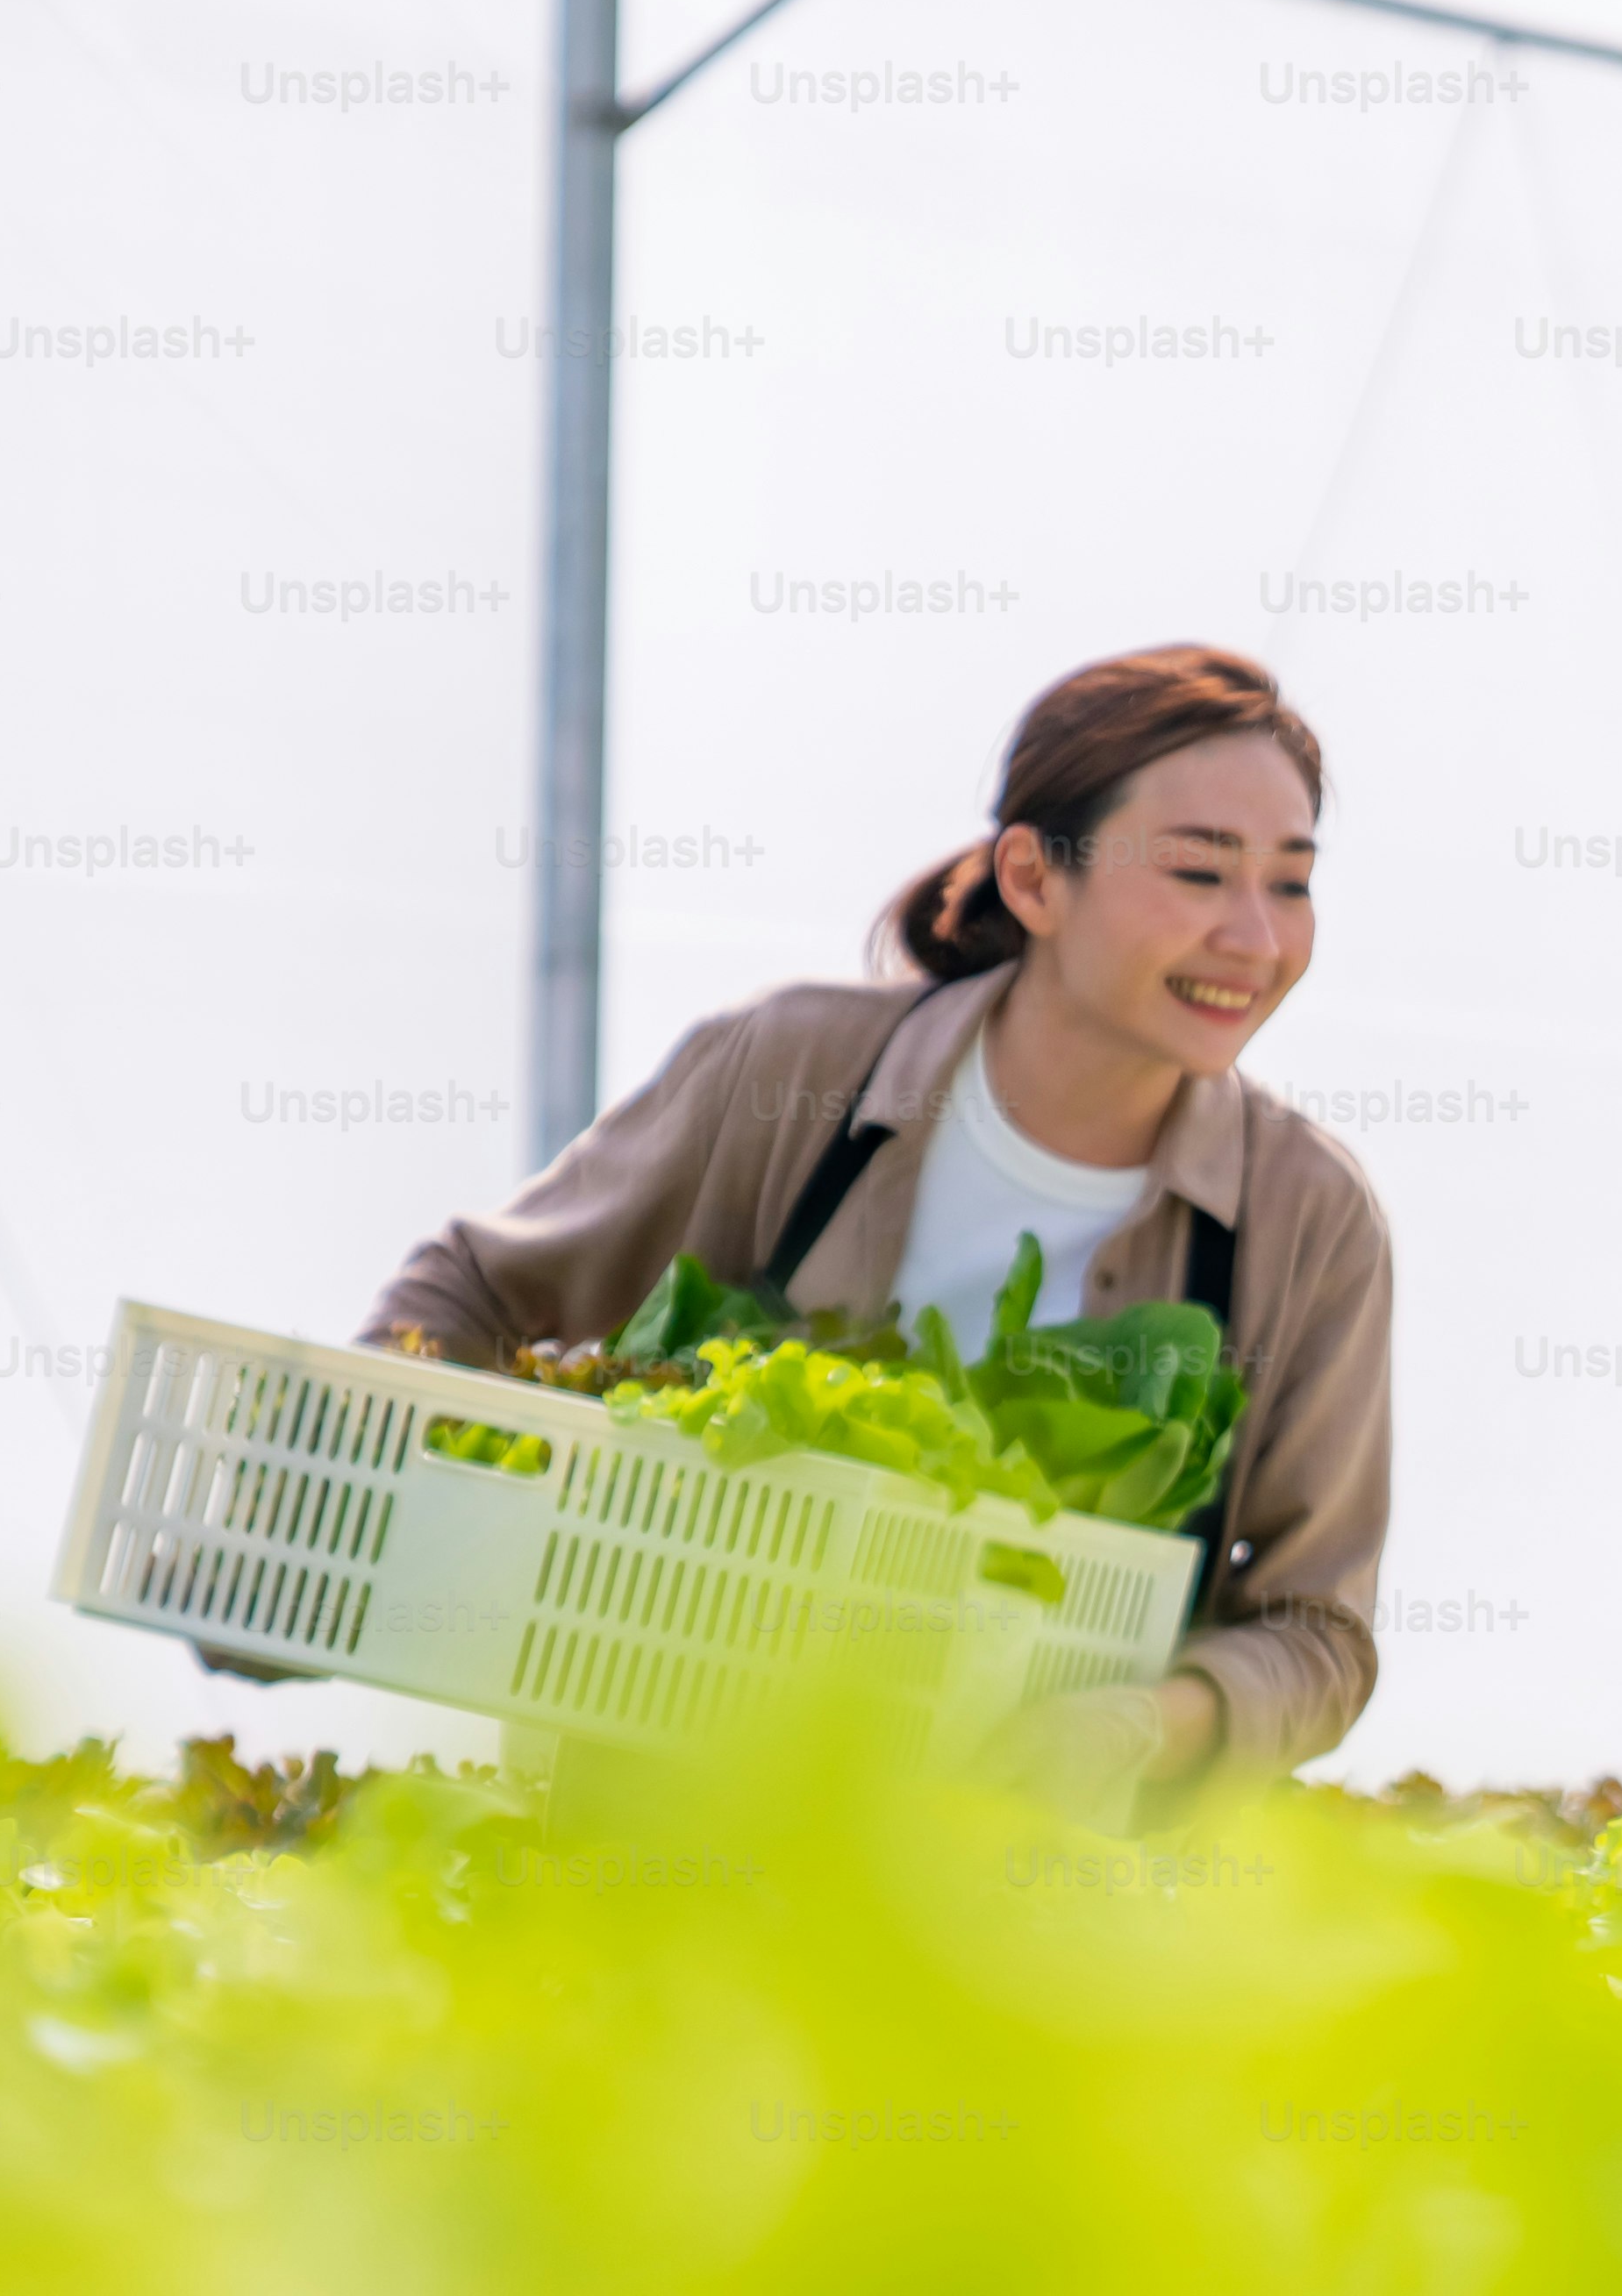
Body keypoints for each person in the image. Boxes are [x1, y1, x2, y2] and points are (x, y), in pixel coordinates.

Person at [367, 645, 1395, 1802]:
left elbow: (1316, 1632)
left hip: (1027, 1898)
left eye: (1291, 883)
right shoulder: (794, 1069)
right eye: (1202, 875)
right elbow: (474, 1291)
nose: (1257, 941)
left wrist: (1143, 1726)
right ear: (1034, 880)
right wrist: (350, 1521)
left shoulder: (1309, 1220)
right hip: (650, 1827)